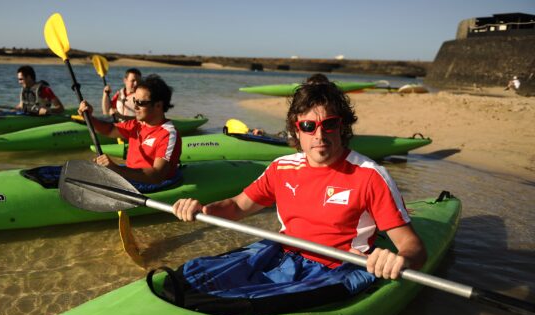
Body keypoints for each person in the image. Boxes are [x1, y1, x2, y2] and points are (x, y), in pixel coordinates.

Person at [173, 78, 427, 293]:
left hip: (338, 267)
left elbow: (413, 248)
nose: (319, 135)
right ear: (296, 130)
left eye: (329, 124)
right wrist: (201, 210)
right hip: (282, 255)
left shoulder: (371, 176)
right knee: (193, 277)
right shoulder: (281, 167)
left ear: (342, 126)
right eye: (308, 126)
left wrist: (398, 260)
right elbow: (238, 206)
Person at [77, 74, 181, 186]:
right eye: (135, 101)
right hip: (131, 174)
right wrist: (89, 118)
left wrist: (116, 169)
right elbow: (109, 130)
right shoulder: (137, 124)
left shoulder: (168, 134)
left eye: (140, 103)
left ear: (158, 105)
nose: (135, 107)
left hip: (153, 183)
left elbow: (157, 176)